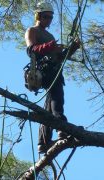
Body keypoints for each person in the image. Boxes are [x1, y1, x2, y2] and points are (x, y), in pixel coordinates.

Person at [25, 1, 80, 154]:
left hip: (55, 70)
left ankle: (43, 142)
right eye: (46, 17)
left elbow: (59, 58)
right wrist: (49, 46)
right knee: (57, 98)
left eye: (51, 17)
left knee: (49, 104)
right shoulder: (32, 31)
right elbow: (31, 50)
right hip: (44, 70)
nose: (49, 20)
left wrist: (72, 49)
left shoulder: (50, 36)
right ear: (38, 15)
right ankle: (62, 127)